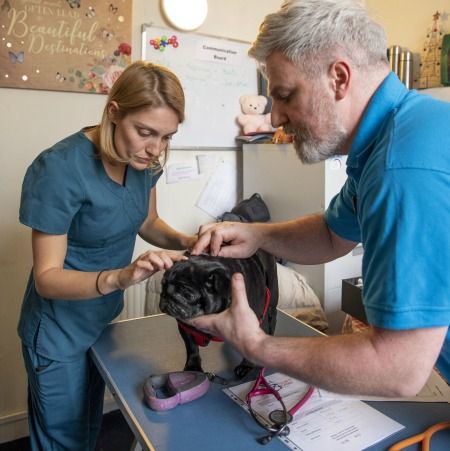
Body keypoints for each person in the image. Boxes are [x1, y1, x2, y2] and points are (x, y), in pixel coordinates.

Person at [190, 0, 450, 397]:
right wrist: (259, 236)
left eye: (285, 95)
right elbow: (333, 235)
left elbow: (396, 370)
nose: (275, 117)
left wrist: (257, 345)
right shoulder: (396, 132)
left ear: (339, 78)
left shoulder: (401, 169)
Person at [18, 61, 197, 450]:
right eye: (145, 132)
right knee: (62, 439)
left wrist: (190, 239)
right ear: (113, 112)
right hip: (57, 330)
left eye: (167, 137)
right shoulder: (60, 168)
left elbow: (147, 221)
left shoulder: (144, 163)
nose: (155, 148)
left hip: (101, 322)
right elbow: (47, 277)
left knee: (88, 429)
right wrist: (118, 277)